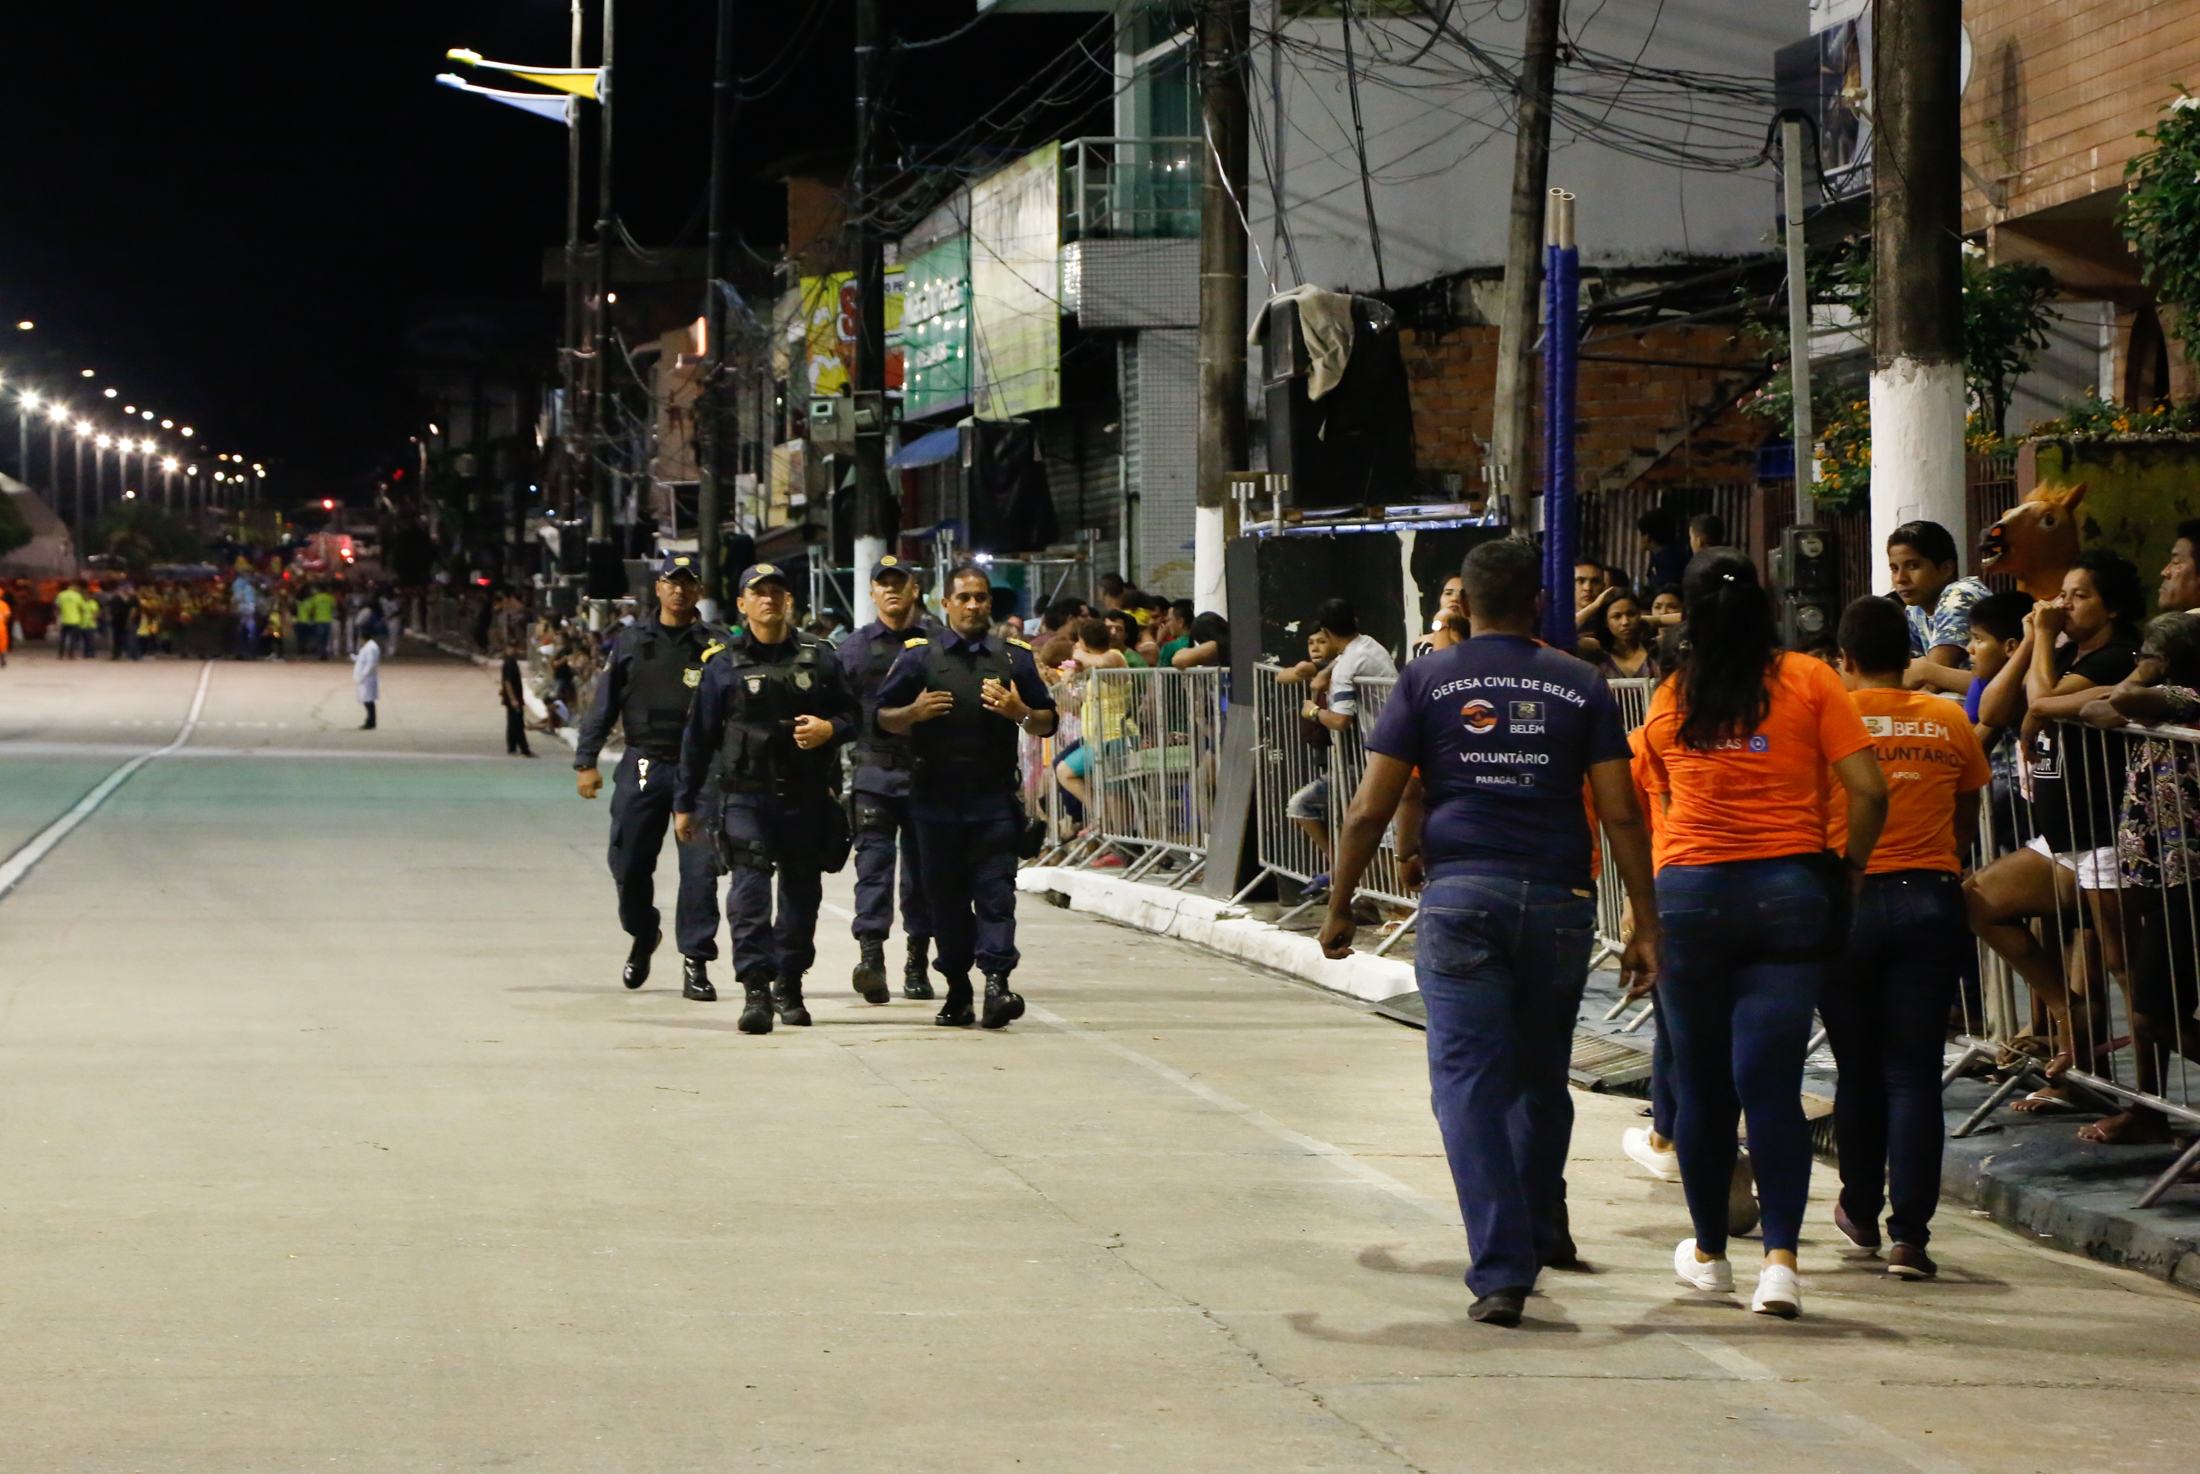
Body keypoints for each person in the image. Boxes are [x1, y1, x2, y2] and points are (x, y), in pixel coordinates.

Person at [1319, 538, 1659, 1327]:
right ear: (1538, 603)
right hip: (1561, 903)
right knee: (1541, 1075)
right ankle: (1544, 1226)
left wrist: (1341, 902)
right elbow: (1620, 812)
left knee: (1469, 1083)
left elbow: (1371, 806)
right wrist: (1647, 921)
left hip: (1462, 899)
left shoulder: (1426, 678)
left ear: (1464, 604)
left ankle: (1504, 1269)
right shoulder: (1580, 682)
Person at [1638, 548, 1887, 1320]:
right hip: (1789, 894)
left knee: (1703, 1087)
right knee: (1770, 1085)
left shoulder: (1671, 696)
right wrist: (1850, 869)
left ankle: (1711, 1256)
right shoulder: (1811, 680)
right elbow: (1870, 790)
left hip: (1690, 898)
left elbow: (1661, 802)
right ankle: (1781, 1263)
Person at [1819, 596, 1989, 1280]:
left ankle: (1860, 1210)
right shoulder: (1949, 719)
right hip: (1930, 899)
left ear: (1845, 659)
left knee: (1857, 1069)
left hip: (1849, 901)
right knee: (1914, 1074)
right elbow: (1966, 810)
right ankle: (1910, 1238)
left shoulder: (1830, 717)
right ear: (1908, 654)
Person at [1966, 550, 2146, 1109]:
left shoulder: (2120, 655)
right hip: (2061, 839)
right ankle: (2073, 1015)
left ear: (2112, 607)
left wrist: (2043, 639)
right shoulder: (2061, 651)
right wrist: (2029, 642)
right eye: (2062, 594)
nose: (2063, 605)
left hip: (2107, 835)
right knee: (1978, 899)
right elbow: (1995, 709)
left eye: (2079, 596)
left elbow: (2044, 701)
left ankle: (2149, 1104)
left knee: (2124, 968)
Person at [874, 563, 1059, 1028]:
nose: (973, 605)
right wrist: (913, 712)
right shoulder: (920, 656)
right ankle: (958, 989)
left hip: (993, 801)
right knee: (946, 902)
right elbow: (881, 717)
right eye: (964, 598)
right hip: (934, 803)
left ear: (989, 603)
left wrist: (1019, 711)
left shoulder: (1013, 658)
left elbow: (1046, 722)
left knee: (997, 895)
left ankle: (997, 985)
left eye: (980, 597)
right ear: (946, 604)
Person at [672, 564, 856, 1031]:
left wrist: (829, 729)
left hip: (805, 796)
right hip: (745, 796)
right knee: (749, 892)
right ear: (742, 604)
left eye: (776, 591)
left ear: (788, 600)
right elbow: (698, 738)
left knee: (801, 896)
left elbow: (854, 715)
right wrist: (684, 803)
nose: (768, 599)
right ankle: (755, 988)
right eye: (758, 593)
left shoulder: (820, 657)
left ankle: (789, 984)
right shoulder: (723, 664)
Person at [576, 555, 731, 993]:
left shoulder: (719, 645)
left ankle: (696, 962)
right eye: (671, 583)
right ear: (658, 588)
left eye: (688, 583)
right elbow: (603, 704)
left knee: (700, 869)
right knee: (627, 862)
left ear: (699, 591)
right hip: (644, 763)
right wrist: (586, 761)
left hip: (700, 768)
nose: (679, 590)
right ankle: (644, 931)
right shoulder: (630, 641)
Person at [836, 555, 938, 1004]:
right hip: (874, 775)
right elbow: (836, 714)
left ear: (915, 589)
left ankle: (917, 962)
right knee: (872, 870)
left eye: (900, 582)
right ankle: (871, 960)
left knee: (924, 877)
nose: (892, 590)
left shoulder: (938, 644)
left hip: (928, 776)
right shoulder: (853, 649)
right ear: (873, 592)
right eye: (884, 583)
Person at [1888, 520, 1994, 695]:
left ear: (1947, 569)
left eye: (1913, 566)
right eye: (1894, 568)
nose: (1900, 578)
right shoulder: (1915, 609)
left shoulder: (1960, 595)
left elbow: (1931, 681)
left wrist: (1923, 671)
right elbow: (1903, 675)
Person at [1588, 587, 1659, 680]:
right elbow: (1567, 635)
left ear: (1639, 615)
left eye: (1631, 614)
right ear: (1606, 621)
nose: (1625, 622)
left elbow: (1680, 622)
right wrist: (1595, 605)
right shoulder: (1596, 655)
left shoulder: (1656, 649)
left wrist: (1652, 620)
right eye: (1617, 616)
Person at [1410, 576, 1468, 660]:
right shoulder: (1426, 643)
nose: (1454, 598)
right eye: (1448, 593)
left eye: (1462, 595)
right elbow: (1440, 665)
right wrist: (1441, 619)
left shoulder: (1477, 643)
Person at [1640, 508, 1691, 591]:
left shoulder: (1669, 559)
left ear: (1647, 536)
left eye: (1641, 534)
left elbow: (1668, 590)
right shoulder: (1658, 555)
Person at [498, 646, 536, 757]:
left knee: (512, 723)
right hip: (514, 698)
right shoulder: (509, 664)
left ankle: (512, 747)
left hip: (513, 697)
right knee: (518, 723)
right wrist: (513, 699)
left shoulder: (511, 662)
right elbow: (508, 682)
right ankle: (524, 749)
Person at [353, 628, 381, 729]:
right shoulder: (369, 646)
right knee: (366, 699)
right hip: (366, 677)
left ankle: (371, 721)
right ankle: (370, 720)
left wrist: (363, 674)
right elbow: (363, 659)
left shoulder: (371, 647)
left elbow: (371, 662)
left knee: (368, 700)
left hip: (368, 677)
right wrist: (355, 657)